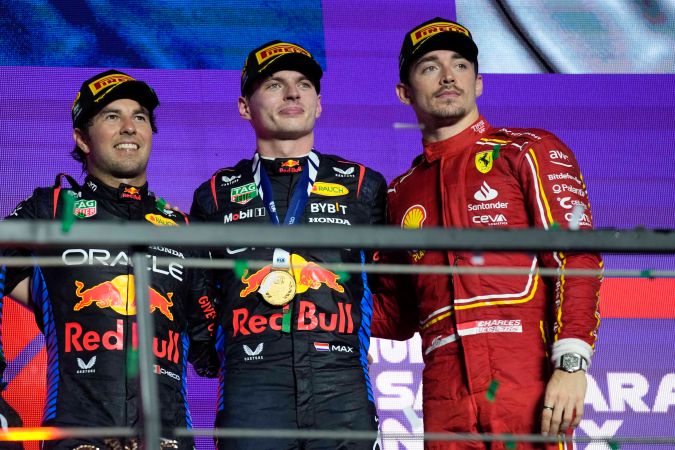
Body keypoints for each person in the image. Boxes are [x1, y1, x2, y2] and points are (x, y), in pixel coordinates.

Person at [371, 18, 603, 450]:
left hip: (524, 376)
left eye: (460, 65)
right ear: (405, 93)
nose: (447, 77)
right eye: (429, 67)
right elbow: (397, 315)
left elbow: (576, 255)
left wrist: (571, 365)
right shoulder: (398, 194)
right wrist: (321, 292)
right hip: (444, 392)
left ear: (478, 83)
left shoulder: (527, 150)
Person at [3, 69, 219, 450]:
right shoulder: (51, 208)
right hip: (78, 433)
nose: (129, 128)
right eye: (111, 116)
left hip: (167, 436)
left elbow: (210, 346)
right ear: (82, 138)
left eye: (139, 117)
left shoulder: (183, 228)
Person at [191, 40, 386, 450]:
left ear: (319, 104)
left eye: (304, 85)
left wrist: (354, 341)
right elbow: (199, 288)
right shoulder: (214, 193)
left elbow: (389, 284)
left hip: (340, 385)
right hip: (251, 386)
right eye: (275, 84)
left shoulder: (364, 184)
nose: (293, 93)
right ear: (245, 106)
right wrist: (212, 347)